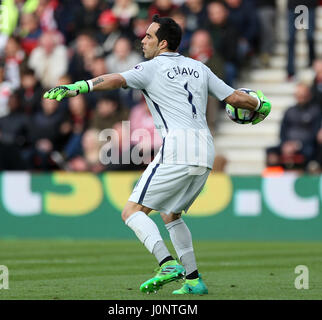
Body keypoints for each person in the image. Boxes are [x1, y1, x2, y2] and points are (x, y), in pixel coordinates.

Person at [43, 14, 271, 295]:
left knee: (131, 212)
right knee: (170, 215)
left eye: (149, 36)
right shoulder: (199, 67)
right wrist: (260, 104)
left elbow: (116, 79)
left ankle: (167, 263)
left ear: (163, 43)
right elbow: (236, 98)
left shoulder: (151, 68)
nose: (143, 39)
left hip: (178, 147)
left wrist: (81, 86)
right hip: (205, 150)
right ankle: (193, 280)